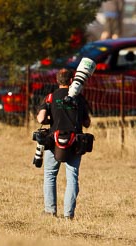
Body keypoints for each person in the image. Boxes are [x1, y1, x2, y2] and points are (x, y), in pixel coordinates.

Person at [36, 68, 91, 220]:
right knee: (72, 177)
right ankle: (68, 215)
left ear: (57, 80)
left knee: (50, 175)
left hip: (54, 141)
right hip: (75, 143)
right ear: (72, 80)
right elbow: (87, 123)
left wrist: (50, 119)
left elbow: (41, 119)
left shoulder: (50, 97)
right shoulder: (79, 98)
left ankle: (50, 211)